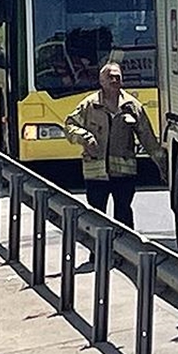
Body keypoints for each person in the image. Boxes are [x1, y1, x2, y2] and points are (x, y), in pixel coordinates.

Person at [64, 62, 164, 231]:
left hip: (124, 173)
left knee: (123, 215)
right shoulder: (89, 105)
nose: (114, 80)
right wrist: (85, 138)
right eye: (110, 77)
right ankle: (97, 254)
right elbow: (69, 126)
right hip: (96, 173)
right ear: (101, 81)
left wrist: (162, 164)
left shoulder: (132, 106)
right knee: (96, 216)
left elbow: (147, 138)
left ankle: (123, 255)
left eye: (117, 77)